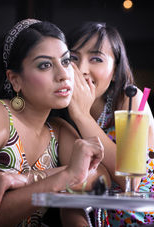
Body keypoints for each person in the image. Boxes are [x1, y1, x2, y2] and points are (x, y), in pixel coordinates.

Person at [0, 18, 105, 227]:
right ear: (15, 79)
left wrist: (28, 178)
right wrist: (65, 176)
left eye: (66, 61)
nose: (63, 75)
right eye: (45, 65)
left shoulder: (58, 131)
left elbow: (99, 177)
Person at [60, 21, 154, 226]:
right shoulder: (61, 113)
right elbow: (69, 193)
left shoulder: (130, 99)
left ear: (115, 71)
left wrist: (82, 116)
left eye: (96, 59)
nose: (82, 69)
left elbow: (131, 179)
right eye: (73, 58)